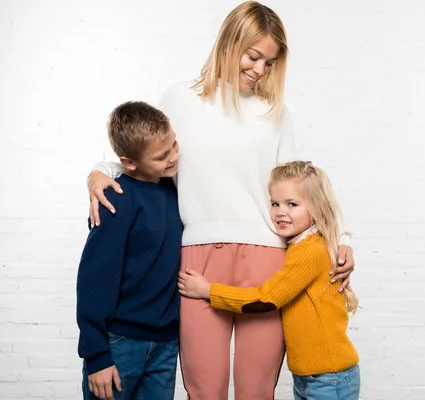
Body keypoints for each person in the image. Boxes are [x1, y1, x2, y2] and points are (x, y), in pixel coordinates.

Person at [86, 2, 356, 399]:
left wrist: (342, 237)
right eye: (254, 56)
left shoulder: (276, 112)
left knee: (256, 391)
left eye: (270, 62)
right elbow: (149, 153)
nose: (260, 70)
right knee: (204, 389)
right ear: (230, 43)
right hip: (197, 259)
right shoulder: (180, 98)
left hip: (267, 259)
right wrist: (102, 170)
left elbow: (301, 187)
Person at [178, 161, 361, 400]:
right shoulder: (299, 244)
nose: (280, 212)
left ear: (317, 208)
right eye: (275, 203)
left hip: (328, 379)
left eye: (292, 204)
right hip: (311, 378)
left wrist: (208, 290)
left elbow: (267, 298)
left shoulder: (310, 250)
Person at [76, 101, 182, 400]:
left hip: (165, 343)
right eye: (162, 156)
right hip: (119, 343)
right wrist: (97, 354)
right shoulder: (115, 199)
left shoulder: (178, 190)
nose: (173, 157)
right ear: (130, 162)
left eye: (174, 145)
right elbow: (94, 279)